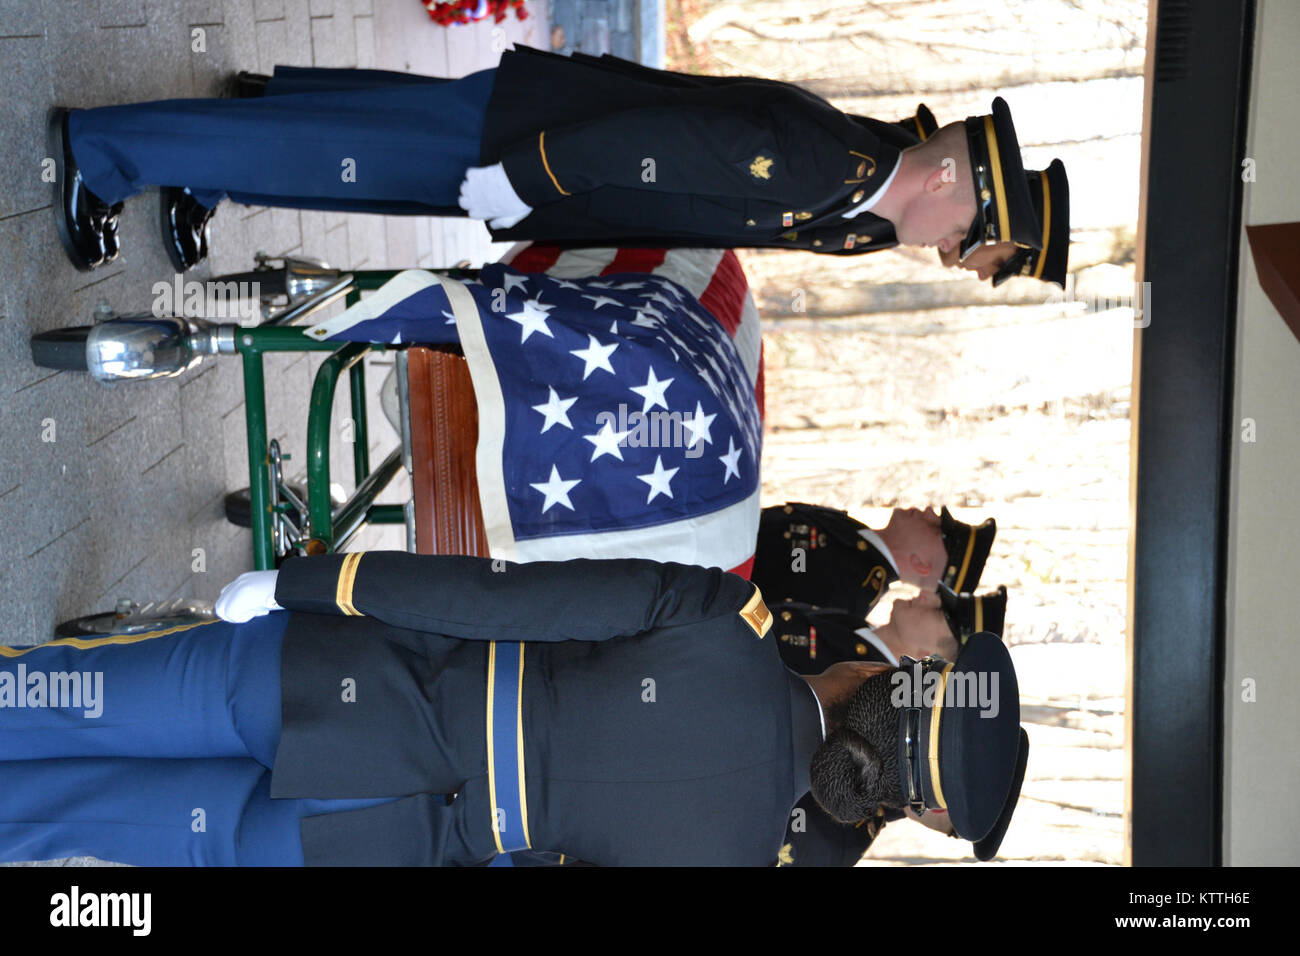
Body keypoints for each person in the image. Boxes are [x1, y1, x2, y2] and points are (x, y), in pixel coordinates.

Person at [0, 552, 1023, 867]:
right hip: (375, 840)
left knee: (57, 702)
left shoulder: (730, 617)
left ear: (878, 676)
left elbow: (499, 598)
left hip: (353, 682)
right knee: (68, 827)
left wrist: (324, 581)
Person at [49, 48, 1039, 271]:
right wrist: (526, 181)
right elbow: (650, 149)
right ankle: (110, 152)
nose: (953, 251)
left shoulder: (862, 184)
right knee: (343, 151)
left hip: (539, 151)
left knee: (340, 151)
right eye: (967, 233)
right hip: (530, 147)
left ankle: (212, 162)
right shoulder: (828, 164)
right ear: (948, 179)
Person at [750, 502, 996, 617]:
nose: (930, 512)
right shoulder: (855, 536)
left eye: (937, 527)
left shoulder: (850, 593)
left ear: (921, 564)